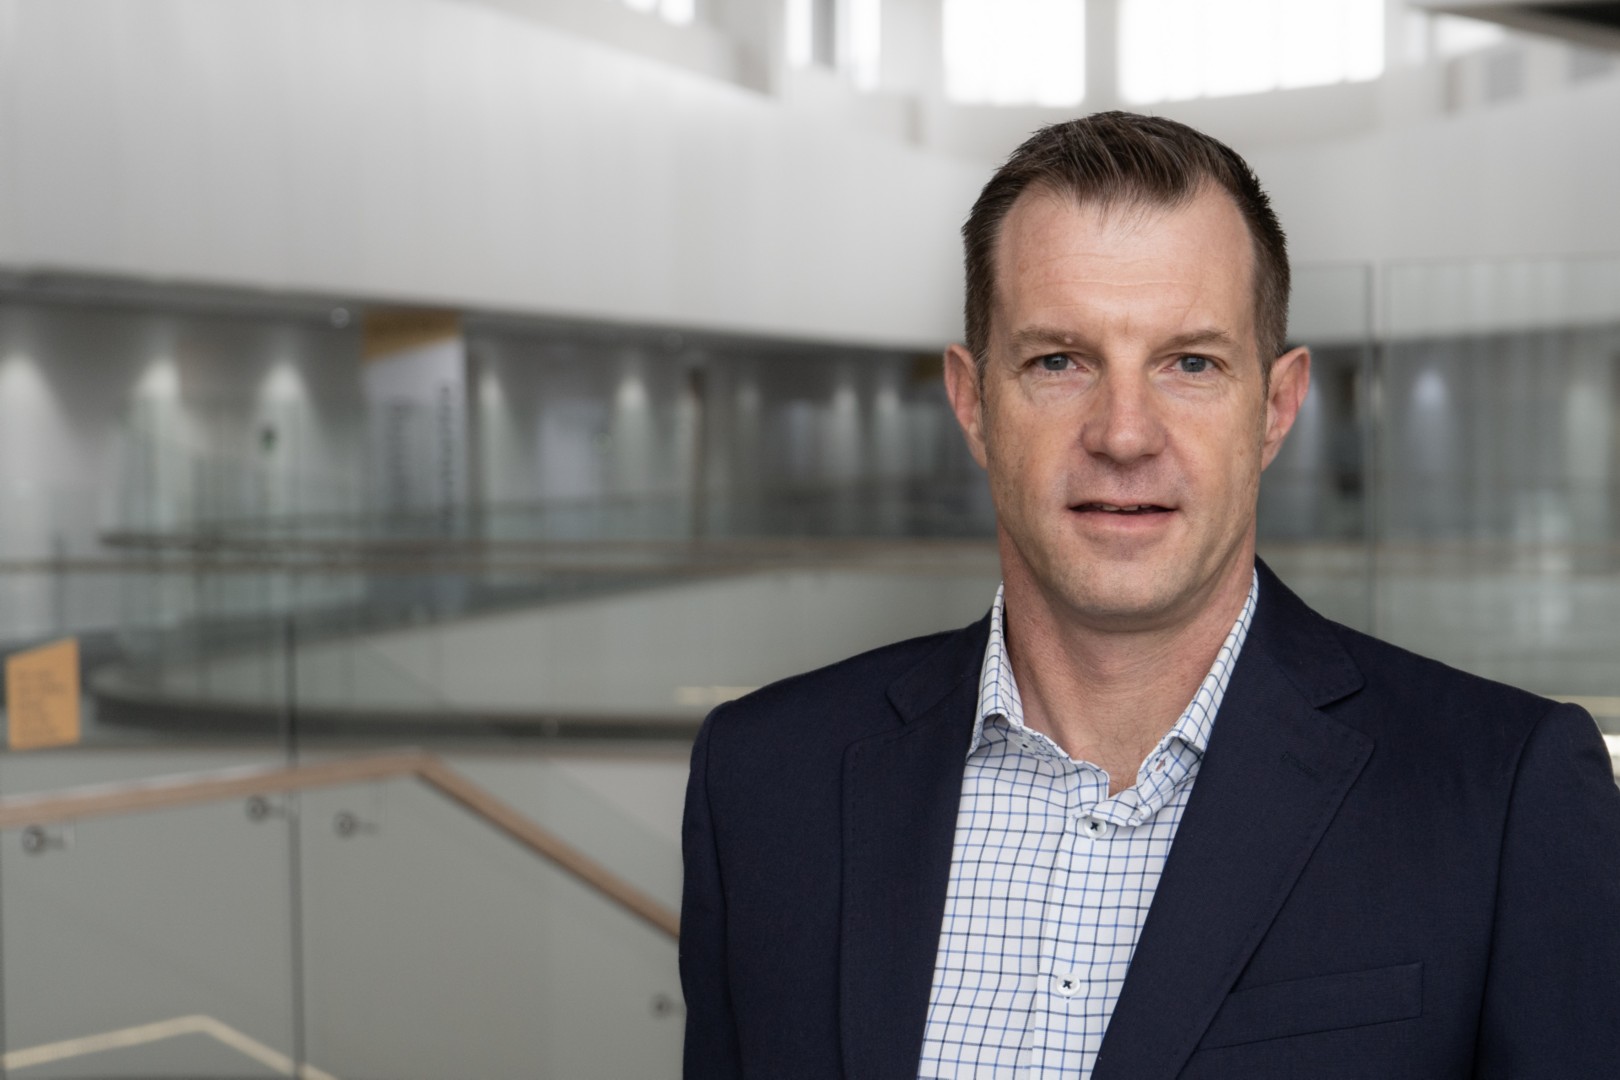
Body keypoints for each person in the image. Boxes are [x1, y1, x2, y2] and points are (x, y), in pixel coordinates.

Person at [678, 112, 1620, 1079]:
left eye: (1190, 363)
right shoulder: (763, 781)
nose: (1123, 434)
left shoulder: (1502, 795)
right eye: (1059, 361)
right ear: (973, 402)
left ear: (1275, 408)